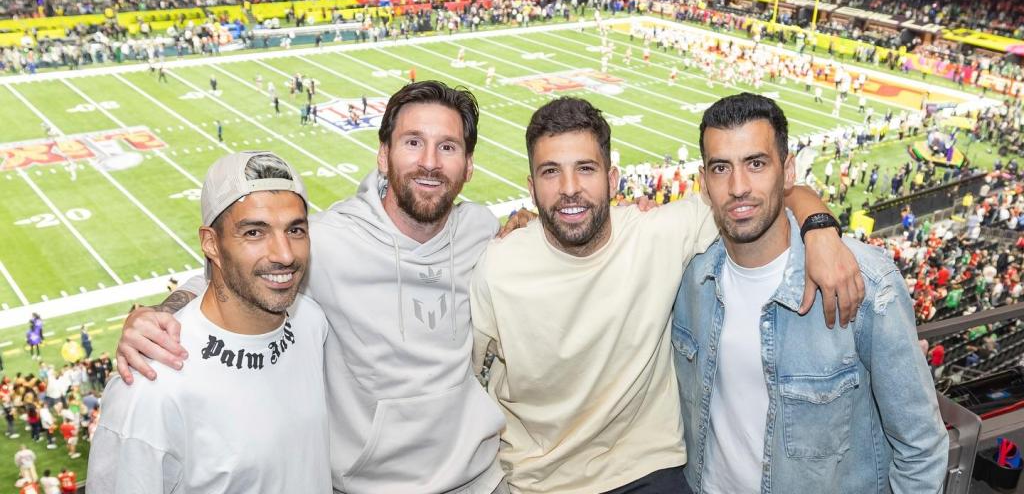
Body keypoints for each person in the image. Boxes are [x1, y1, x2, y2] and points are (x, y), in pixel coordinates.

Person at [115, 82, 510, 493]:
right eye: (413, 142)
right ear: (383, 155)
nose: (429, 162)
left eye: (448, 147)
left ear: (468, 166)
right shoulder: (326, 241)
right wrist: (158, 315)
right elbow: (235, 276)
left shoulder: (479, 228)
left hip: (480, 480)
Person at [471, 98, 862, 493]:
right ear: (531, 186)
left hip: (648, 471)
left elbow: (758, 192)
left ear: (612, 179)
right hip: (540, 483)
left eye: (585, 169)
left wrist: (820, 226)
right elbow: (468, 380)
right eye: (550, 172)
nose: (569, 189)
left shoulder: (659, 233)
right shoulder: (498, 267)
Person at [673, 93, 948, 493]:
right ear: (704, 182)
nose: (738, 186)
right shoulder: (689, 278)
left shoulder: (865, 283)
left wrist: (819, 224)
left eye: (756, 163)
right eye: (721, 168)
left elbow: (921, 446)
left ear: (788, 173)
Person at [87, 151, 331, 492]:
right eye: (254, 233)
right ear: (211, 243)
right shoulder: (152, 384)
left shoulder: (311, 323)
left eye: (295, 230)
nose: (284, 254)